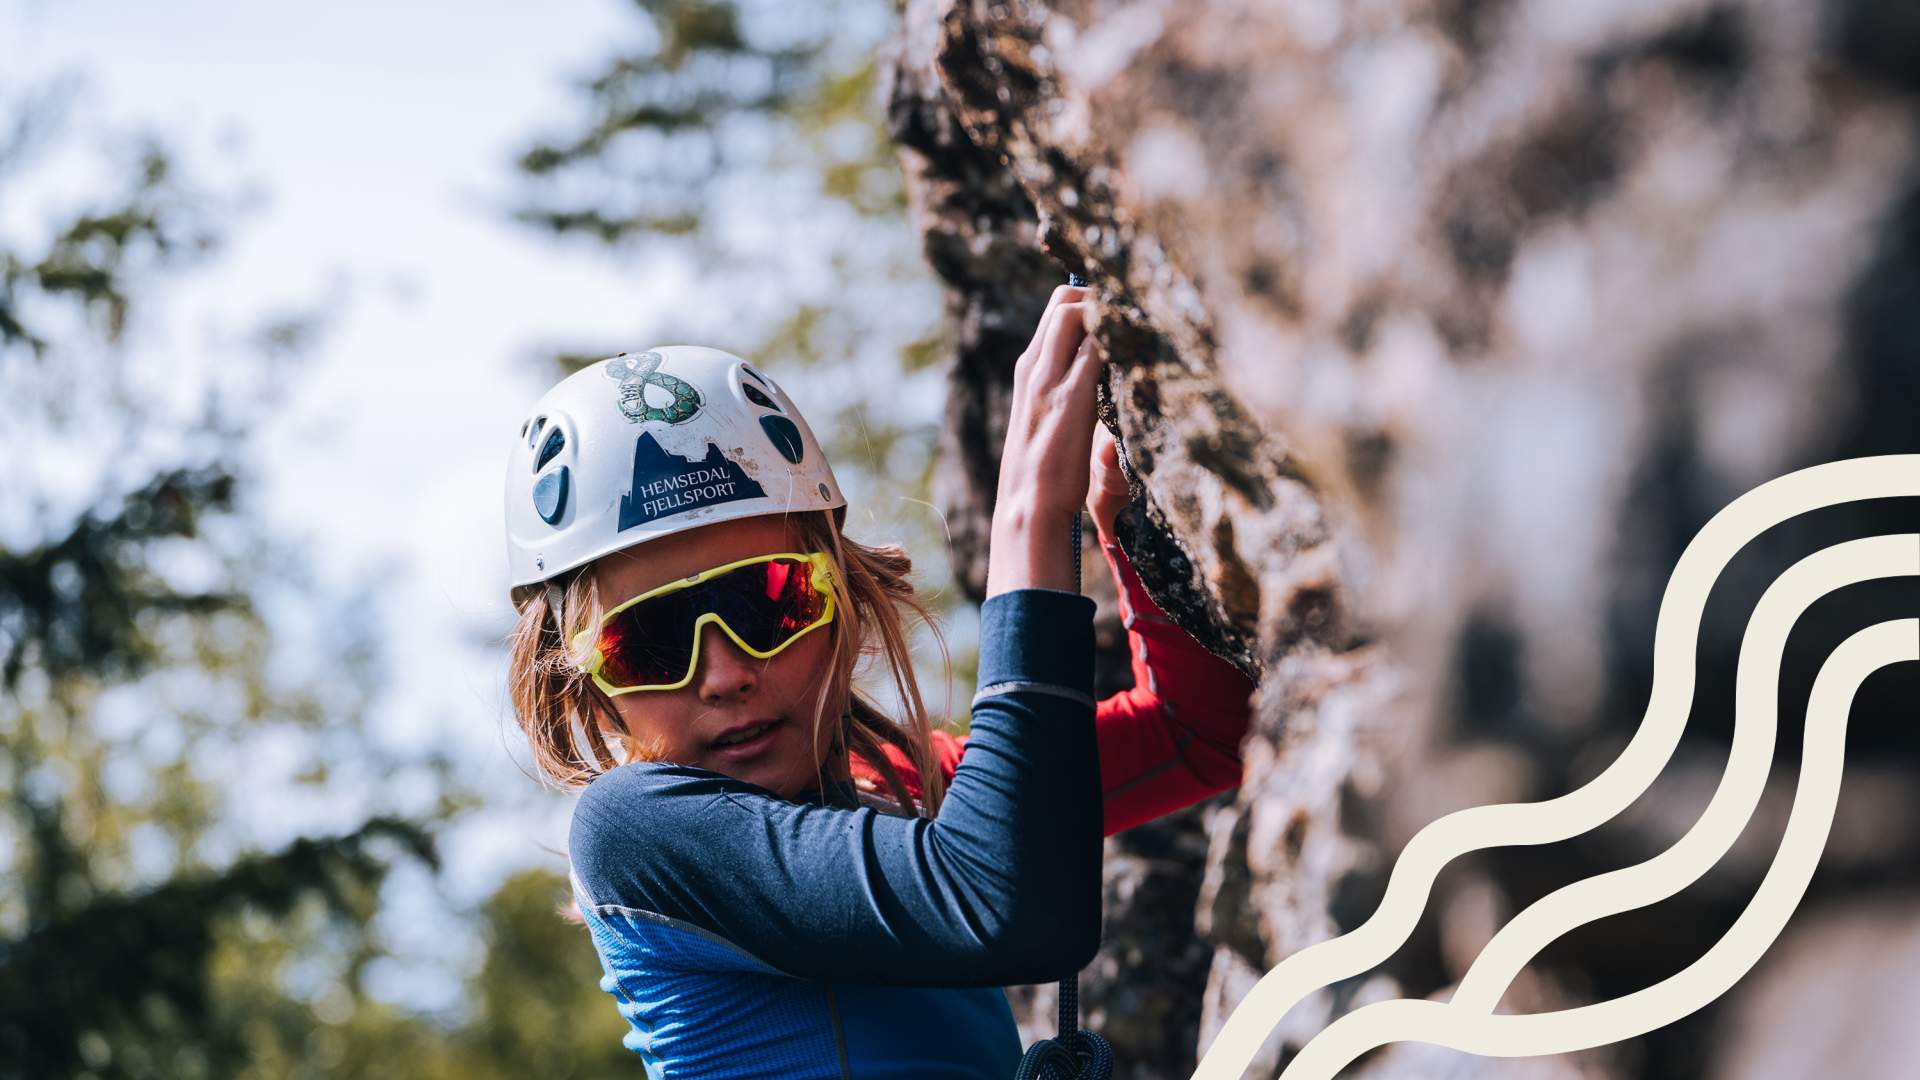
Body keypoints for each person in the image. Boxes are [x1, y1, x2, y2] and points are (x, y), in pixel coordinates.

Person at [502, 285, 1257, 1078]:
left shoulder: (911, 792)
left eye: (769, 603)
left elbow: (1203, 732)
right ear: (584, 686)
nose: (724, 674)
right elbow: (998, 908)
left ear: (844, 600)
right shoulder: (634, 837)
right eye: (649, 645)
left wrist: (1130, 529)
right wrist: (1031, 522)